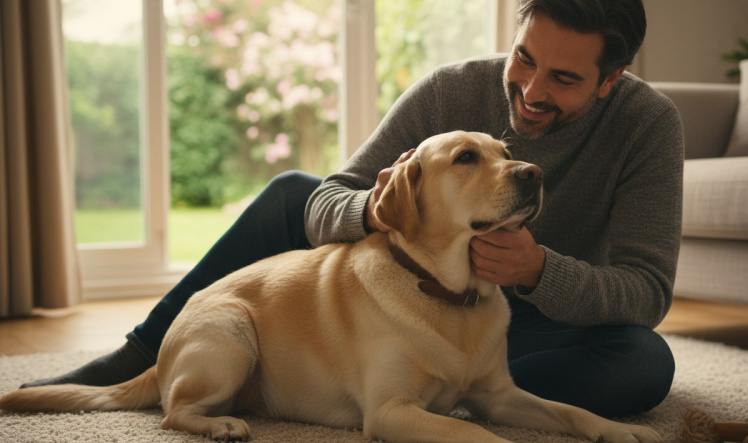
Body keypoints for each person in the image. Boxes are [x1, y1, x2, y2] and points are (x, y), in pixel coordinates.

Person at [24, 0, 683, 419]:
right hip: (414, 295)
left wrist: (540, 271)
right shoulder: (453, 91)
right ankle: (138, 356)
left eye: (563, 79)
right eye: (525, 59)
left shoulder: (649, 126)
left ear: (610, 80)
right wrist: (382, 206)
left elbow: (647, 290)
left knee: (645, 363)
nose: (530, 90)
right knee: (289, 190)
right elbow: (326, 201)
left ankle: (454, 398)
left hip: (531, 318)